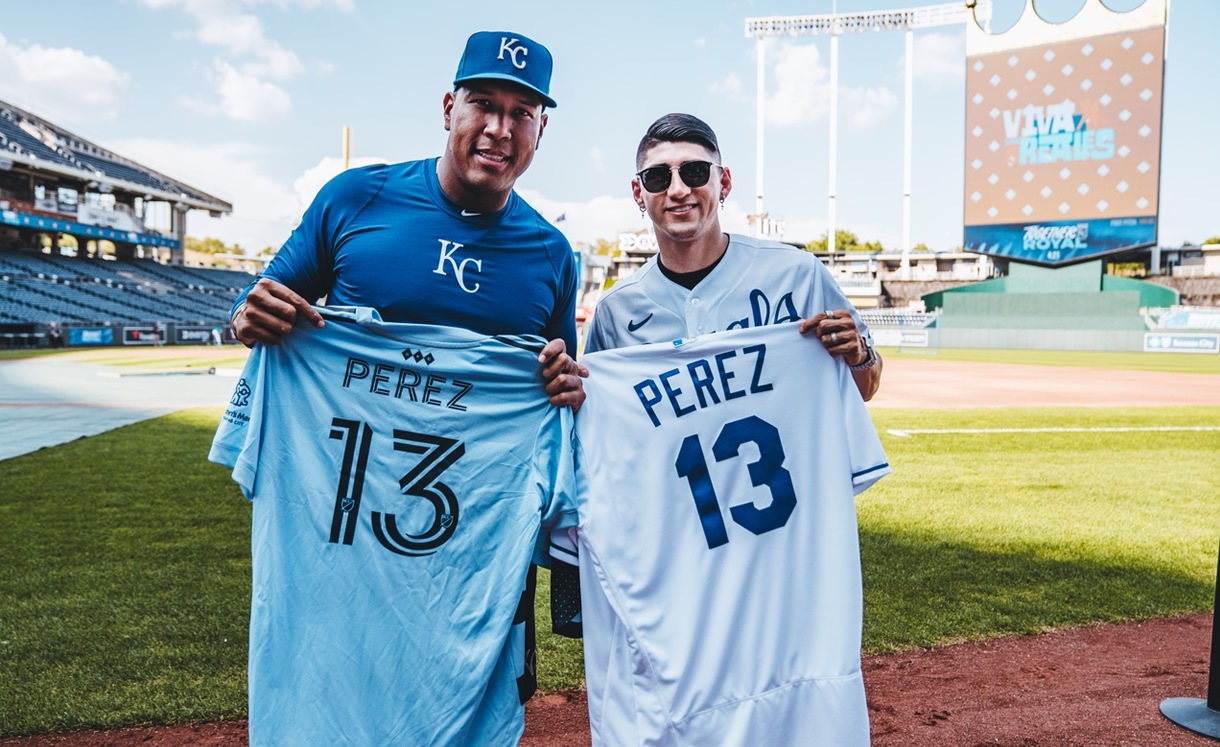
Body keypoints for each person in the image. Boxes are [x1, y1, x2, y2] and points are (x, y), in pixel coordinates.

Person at [222, 28, 583, 742]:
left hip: (472, 563)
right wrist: (245, 314)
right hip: (341, 545)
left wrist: (565, 383)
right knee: (336, 698)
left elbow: (559, 389)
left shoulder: (550, 251)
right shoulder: (356, 199)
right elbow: (263, 308)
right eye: (484, 103)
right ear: (449, 105)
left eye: (522, 113)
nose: (499, 128)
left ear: (541, 129)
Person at [583, 112, 881, 395]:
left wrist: (859, 356)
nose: (677, 189)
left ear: (723, 182)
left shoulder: (798, 273)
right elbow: (597, 409)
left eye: (695, 172)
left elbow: (866, 387)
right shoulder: (615, 310)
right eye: (657, 177)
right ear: (638, 192)